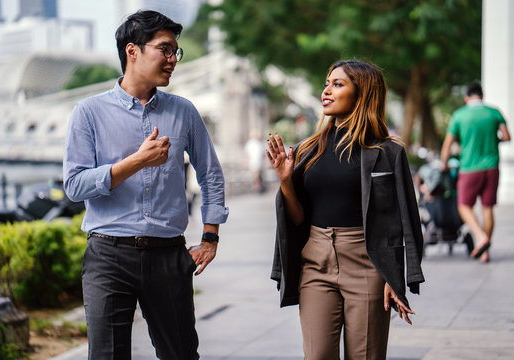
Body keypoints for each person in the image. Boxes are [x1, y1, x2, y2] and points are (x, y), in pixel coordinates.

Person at [63, 10, 229, 360]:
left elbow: (211, 174)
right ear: (132, 51)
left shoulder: (184, 111)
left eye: (175, 52)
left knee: (181, 354)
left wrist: (211, 236)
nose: (173, 60)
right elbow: (75, 186)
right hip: (108, 256)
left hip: (169, 255)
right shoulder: (87, 113)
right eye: (165, 49)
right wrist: (136, 161)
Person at [266, 59, 424, 360]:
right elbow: (298, 218)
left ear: (362, 93)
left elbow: (403, 219)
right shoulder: (307, 149)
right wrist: (285, 181)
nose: (327, 90)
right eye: (327, 83)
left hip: (367, 263)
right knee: (317, 355)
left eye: (338, 84)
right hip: (316, 262)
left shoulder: (387, 152)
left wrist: (395, 277)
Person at [440, 83, 510, 263]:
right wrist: (493, 139)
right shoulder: (494, 112)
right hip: (492, 167)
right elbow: (507, 136)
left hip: (469, 168)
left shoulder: (459, 115)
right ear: (482, 95)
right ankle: (484, 252)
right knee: (487, 208)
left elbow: (447, 145)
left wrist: (444, 164)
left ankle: (480, 237)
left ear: (466, 98)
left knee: (464, 206)